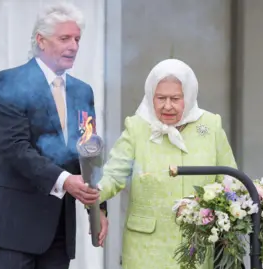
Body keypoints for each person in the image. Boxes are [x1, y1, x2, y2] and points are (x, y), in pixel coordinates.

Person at [0, 3, 108, 269]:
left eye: (77, 39)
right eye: (64, 38)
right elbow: (15, 147)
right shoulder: (9, 82)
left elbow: (89, 153)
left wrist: (99, 208)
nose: (74, 46)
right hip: (14, 224)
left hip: (58, 228)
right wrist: (66, 181)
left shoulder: (83, 92)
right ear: (41, 41)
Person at [96, 58, 238, 268]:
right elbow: (113, 175)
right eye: (160, 98)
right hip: (144, 249)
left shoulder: (210, 125)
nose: (167, 106)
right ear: (150, 95)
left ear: (188, 97)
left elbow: (231, 183)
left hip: (196, 245)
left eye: (175, 98)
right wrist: (93, 193)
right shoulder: (137, 127)